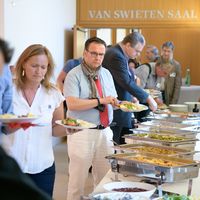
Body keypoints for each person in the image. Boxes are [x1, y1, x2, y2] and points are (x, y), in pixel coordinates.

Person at [1, 44, 68, 197]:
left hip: (43, 166)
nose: (39, 71)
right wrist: (15, 126)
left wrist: (69, 129)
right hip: (11, 167)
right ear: (23, 63)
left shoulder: (53, 93)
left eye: (43, 67)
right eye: (34, 66)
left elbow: (56, 129)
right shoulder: (8, 90)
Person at [63, 37, 118, 200]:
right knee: (76, 183)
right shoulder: (74, 75)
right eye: (94, 53)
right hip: (82, 132)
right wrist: (101, 101)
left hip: (105, 132)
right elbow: (72, 104)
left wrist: (120, 104)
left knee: (104, 182)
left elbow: (112, 99)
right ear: (85, 53)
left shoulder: (106, 74)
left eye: (101, 54)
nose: (98, 58)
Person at [102, 32, 157, 144]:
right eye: (137, 51)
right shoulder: (116, 55)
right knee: (116, 146)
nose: (137, 54)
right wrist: (148, 98)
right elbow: (125, 82)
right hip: (116, 108)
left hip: (122, 107)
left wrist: (133, 96)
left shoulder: (120, 54)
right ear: (127, 45)